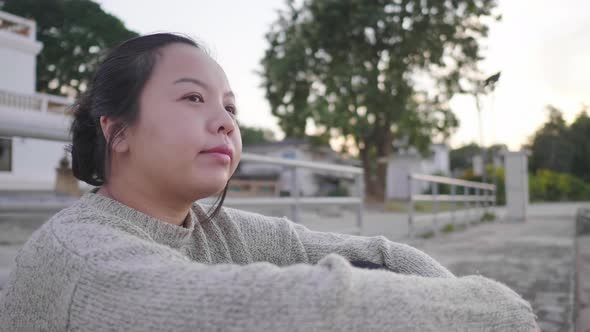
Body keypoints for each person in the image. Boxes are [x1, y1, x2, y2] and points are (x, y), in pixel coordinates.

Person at [0, 33, 538, 331]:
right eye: (193, 98)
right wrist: (507, 314)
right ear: (117, 132)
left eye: (230, 107)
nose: (225, 122)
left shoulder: (213, 227)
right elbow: (318, 308)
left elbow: (377, 253)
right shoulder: (85, 258)